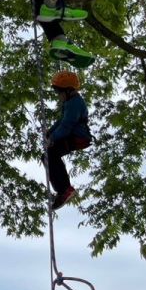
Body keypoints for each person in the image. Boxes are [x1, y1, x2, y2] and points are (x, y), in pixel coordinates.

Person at [44, 70, 91, 210]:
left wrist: (52, 138)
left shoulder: (75, 103)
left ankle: (65, 189)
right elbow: (61, 121)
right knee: (47, 156)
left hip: (79, 137)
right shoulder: (70, 102)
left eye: (59, 92)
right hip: (73, 135)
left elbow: (66, 126)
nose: (58, 96)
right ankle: (62, 190)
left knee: (51, 153)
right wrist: (50, 131)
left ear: (69, 90)